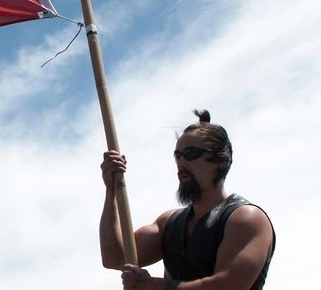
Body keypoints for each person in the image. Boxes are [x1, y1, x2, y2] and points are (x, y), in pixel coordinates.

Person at [100, 110, 275, 290]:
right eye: (178, 155)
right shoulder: (169, 223)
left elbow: (227, 286)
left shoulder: (246, 219)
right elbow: (115, 256)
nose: (181, 163)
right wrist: (111, 188)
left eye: (191, 153)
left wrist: (154, 286)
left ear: (221, 160)